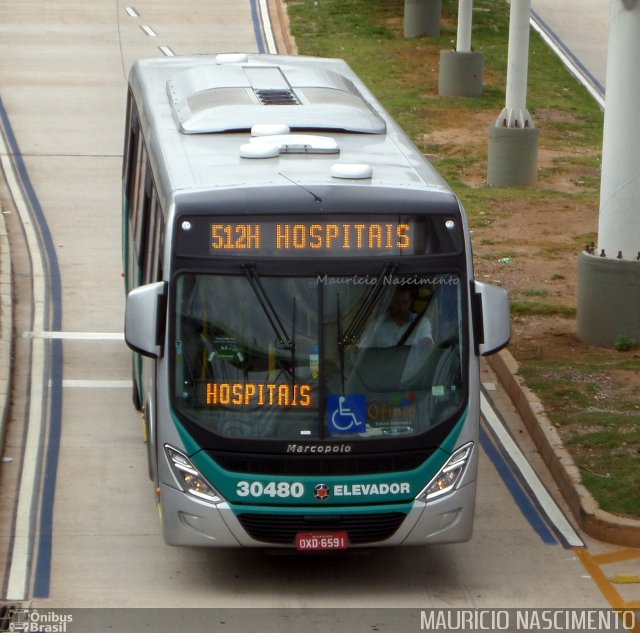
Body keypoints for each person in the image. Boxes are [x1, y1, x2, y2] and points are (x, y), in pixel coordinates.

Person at [359, 288, 433, 348]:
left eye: (405, 302)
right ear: (390, 302)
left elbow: (427, 345)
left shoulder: (422, 322)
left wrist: (426, 343)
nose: (401, 307)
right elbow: (363, 351)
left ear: (410, 303)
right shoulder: (376, 325)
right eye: (396, 302)